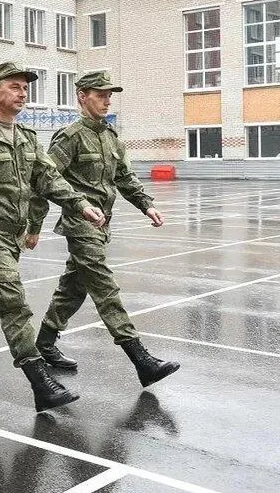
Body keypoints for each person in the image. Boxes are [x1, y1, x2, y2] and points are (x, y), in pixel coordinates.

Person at [0, 62, 106, 412]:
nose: (22, 93)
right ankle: (39, 381)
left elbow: (49, 179)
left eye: (25, 87)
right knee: (14, 303)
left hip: (11, 236)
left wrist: (80, 205)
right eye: (15, 86)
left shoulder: (27, 138)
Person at [37, 71, 180, 388]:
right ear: (82, 96)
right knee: (104, 287)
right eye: (100, 94)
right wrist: (37, 223)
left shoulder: (111, 136)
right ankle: (141, 360)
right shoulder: (70, 137)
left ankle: (44, 342)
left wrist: (147, 205)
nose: (107, 100)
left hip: (104, 224)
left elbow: (125, 178)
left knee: (74, 287)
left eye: (109, 95)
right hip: (80, 223)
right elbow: (46, 178)